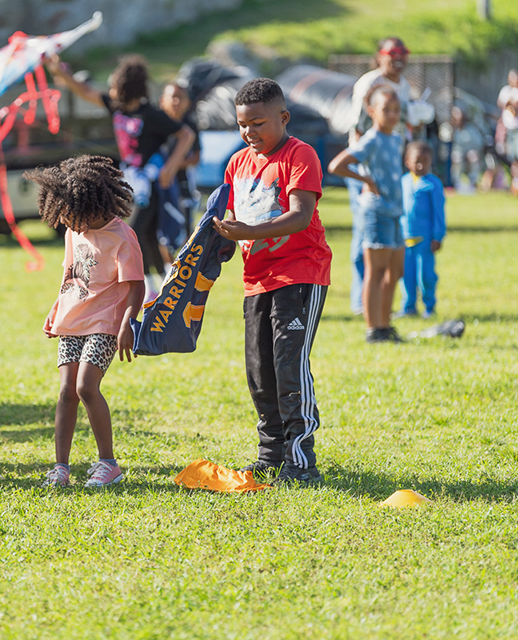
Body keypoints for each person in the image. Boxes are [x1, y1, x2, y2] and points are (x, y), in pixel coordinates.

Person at [212, 78, 332, 486]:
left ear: (283, 118)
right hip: (255, 281)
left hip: (300, 273)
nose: (249, 133)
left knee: (288, 366)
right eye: (242, 125)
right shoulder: (237, 163)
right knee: (259, 370)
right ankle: (271, 455)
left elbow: (300, 215)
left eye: (258, 123)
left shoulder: (301, 155)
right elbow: (229, 226)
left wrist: (245, 232)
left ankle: (302, 462)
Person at [25, 155, 144, 488]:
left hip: (105, 322)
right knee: (66, 392)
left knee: (85, 387)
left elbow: (137, 285)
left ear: (94, 205)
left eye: (74, 216)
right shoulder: (73, 229)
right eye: (65, 217)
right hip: (73, 320)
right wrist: (56, 310)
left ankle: (108, 464)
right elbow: (70, 276)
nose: (71, 224)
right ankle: (60, 467)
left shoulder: (122, 236)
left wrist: (127, 324)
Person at [45, 54, 195, 300]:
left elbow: (185, 135)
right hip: (131, 183)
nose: (111, 90)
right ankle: (152, 289)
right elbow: (84, 90)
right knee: (142, 238)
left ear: (128, 88)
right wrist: (59, 71)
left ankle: (165, 288)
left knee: (138, 234)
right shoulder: (116, 106)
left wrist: (170, 167)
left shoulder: (151, 115)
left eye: (115, 85)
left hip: (152, 186)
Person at [329, 85, 405, 343]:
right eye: (387, 110)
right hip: (376, 212)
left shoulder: (396, 139)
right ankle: (373, 329)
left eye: (397, 110)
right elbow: (337, 165)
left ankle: (385, 325)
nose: (393, 115)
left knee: (395, 271)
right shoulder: (370, 139)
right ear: (372, 111)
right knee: (376, 271)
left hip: (396, 212)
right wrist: (365, 179)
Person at [347, 36, 412, 315]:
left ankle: (380, 307)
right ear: (379, 56)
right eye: (392, 53)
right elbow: (360, 128)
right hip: (365, 168)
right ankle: (362, 300)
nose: (398, 58)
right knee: (365, 236)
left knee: (391, 245)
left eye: (403, 53)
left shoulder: (404, 85)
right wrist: (366, 176)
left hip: (390, 169)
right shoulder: (368, 83)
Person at [399, 141, 445, 318]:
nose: (420, 165)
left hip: (425, 239)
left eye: (425, 161)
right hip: (404, 237)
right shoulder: (403, 182)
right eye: (417, 161)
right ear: (407, 161)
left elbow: (438, 213)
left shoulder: (433, 184)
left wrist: (438, 235)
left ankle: (429, 306)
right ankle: (408, 306)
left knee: (426, 276)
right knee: (406, 275)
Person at [158, 80, 202, 259]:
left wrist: (174, 165)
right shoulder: (157, 124)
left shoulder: (190, 125)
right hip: (159, 184)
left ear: (188, 103)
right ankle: (166, 268)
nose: (176, 102)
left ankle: (184, 267)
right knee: (160, 229)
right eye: (172, 97)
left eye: (180, 98)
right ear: (162, 100)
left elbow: (197, 157)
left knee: (185, 226)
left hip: (183, 183)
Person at [449, 106, 485, 193]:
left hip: (470, 151)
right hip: (457, 152)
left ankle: (473, 182)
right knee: (456, 158)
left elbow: (479, 143)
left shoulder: (471, 128)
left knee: (473, 157)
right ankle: (456, 182)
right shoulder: (451, 129)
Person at [497, 69, 518, 196]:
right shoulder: (506, 91)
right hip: (506, 128)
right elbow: (502, 105)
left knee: (516, 155)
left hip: (516, 129)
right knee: (510, 156)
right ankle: (513, 183)